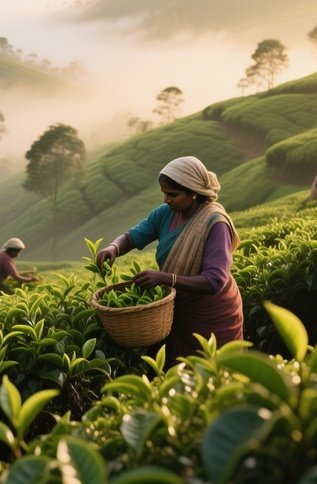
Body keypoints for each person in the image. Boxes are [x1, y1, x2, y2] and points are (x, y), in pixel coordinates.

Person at [95, 156, 243, 365]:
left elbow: (214, 281)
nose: (166, 199)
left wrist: (166, 278)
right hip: (176, 308)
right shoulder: (165, 214)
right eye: (164, 193)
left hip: (211, 312)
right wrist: (114, 247)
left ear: (193, 192)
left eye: (173, 194)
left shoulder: (215, 223)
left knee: (212, 372)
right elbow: (131, 237)